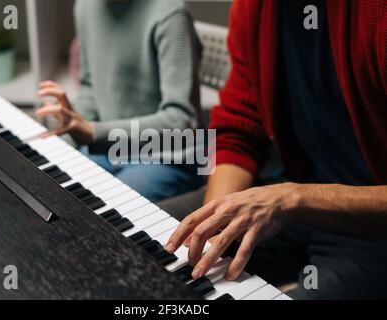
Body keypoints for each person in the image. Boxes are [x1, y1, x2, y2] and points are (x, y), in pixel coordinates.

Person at [160, 0, 387, 299]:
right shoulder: (252, 8)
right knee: (131, 247)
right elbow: (239, 130)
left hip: (372, 228)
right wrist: (216, 226)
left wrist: (293, 199)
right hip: (287, 196)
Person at [35, 0, 203, 202]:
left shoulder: (172, 13)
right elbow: (90, 87)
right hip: (110, 147)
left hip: (173, 155)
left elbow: (183, 120)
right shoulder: (85, 6)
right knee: (52, 189)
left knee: (97, 208)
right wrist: (65, 137)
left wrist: (92, 132)